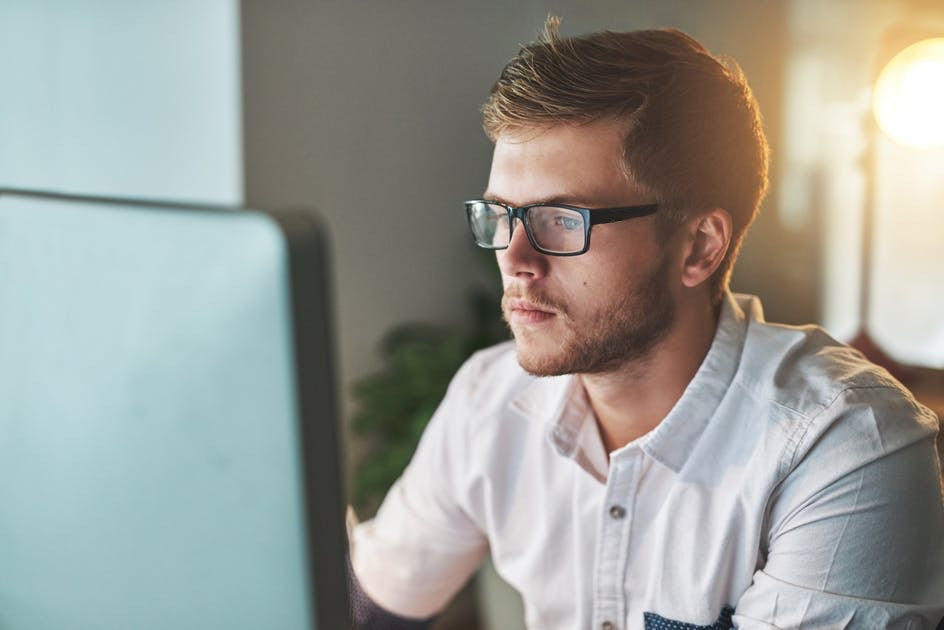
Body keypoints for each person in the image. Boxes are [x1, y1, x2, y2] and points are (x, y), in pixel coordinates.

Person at [348, 18, 944, 629]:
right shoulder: (489, 399)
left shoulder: (843, 446)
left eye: (561, 219)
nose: (514, 260)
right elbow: (371, 610)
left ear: (698, 247)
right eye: (500, 215)